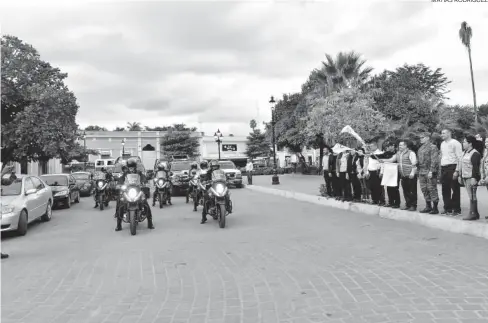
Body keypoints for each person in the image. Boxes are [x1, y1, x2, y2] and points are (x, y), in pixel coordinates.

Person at [116, 158, 154, 231]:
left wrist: (145, 183)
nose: (131, 169)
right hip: (127, 190)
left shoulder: (139, 173)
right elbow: (121, 179)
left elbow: (143, 178)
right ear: (128, 167)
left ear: (135, 167)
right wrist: (119, 184)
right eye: (130, 167)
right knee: (120, 203)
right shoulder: (125, 173)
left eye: (132, 167)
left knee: (145, 204)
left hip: (137, 190)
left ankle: (150, 223)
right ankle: (118, 225)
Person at [383, 140, 418, 211]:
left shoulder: (411, 153)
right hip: (403, 175)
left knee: (412, 191)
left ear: (406, 146)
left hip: (410, 175)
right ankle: (408, 204)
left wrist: (412, 173)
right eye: (399, 145)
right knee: (406, 191)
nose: (400, 146)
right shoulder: (398, 153)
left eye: (401, 145)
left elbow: (414, 163)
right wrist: (382, 160)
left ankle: (413, 205)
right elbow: (391, 160)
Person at [458, 135, 482, 221]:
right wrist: (460, 175)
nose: (463, 144)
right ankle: (475, 213)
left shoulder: (475, 153)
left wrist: (474, 178)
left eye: (464, 142)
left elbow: (476, 167)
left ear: (470, 143)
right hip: (465, 177)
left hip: (471, 178)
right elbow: (461, 164)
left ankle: (472, 213)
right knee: (470, 195)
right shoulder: (464, 152)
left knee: (472, 195)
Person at [440, 129, 463, 216]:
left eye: (443, 133)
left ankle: (456, 209)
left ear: (449, 133)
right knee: (445, 189)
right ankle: (447, 208)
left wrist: (457, 170)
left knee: (455, 189)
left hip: (452, 167)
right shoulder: (442, 144)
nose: (442, 134)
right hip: (444, 167)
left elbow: (459, 158)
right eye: (441, 133)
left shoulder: (455, 143)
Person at [417, 133, 440, 214]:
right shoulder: (420, 148)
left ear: (427, 138)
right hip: (422, 171)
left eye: (422, 137)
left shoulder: (433, 147)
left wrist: (431, 171)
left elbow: (434, 160)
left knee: (432, 188)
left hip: (429, 171)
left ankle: (435, 208)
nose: (420, 139)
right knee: (424, 189)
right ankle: (428, 206)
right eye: (420, 137)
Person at [364, 140, 385, 206]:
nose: (370, 147)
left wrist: (381, 172)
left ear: (375, 146)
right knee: (372, 186)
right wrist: (366, 172)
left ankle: (381, 200)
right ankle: (374, 199)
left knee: (379, 187)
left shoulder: (380, 153)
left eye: (371, 146)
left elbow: (382, 163)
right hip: (370, 172)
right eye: (369, 146)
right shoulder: (369, 154)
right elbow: (366, 163)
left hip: (377, 171)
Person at [380, 141, 401, 208]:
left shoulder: (397, 153)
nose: (388, 148)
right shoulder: (386, 153)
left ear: (393, 146)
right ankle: (391, 202)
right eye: (387, 146)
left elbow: (392, 160)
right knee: (388, 188)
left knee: (395, 188)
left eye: (390, 146)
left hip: (395, 173)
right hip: (388, 173)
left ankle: (397, 203)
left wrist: (383, 160)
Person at [200, 159, 221, 224]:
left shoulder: (221, 172)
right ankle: (204, 218)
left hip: (219, 186)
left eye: (216, 166)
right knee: (206, 198)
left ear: (218, 166)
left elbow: (224, 177)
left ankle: (228, 206)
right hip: (211, 187)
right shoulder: (209, 172)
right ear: (211, 167)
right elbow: (205, 178)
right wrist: (205, 181)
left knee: (227, 193)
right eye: (213, 166)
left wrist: (227, 179)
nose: (215, 167)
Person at [479, 138, 488, 219]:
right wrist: (482, 176)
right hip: (485, 176)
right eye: (486, 142)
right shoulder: (485, 152)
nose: (487, 143)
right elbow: (482, 164)